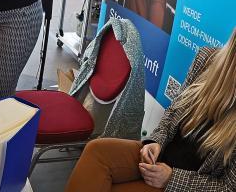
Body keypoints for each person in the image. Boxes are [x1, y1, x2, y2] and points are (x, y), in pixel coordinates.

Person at [65, 30, 236, 192]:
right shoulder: (206, 59)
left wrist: (172, 179)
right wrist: (156, 142)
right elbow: (173, 112)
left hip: (184, 184)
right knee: (97, 151)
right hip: (160, 157)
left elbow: (228, 187)